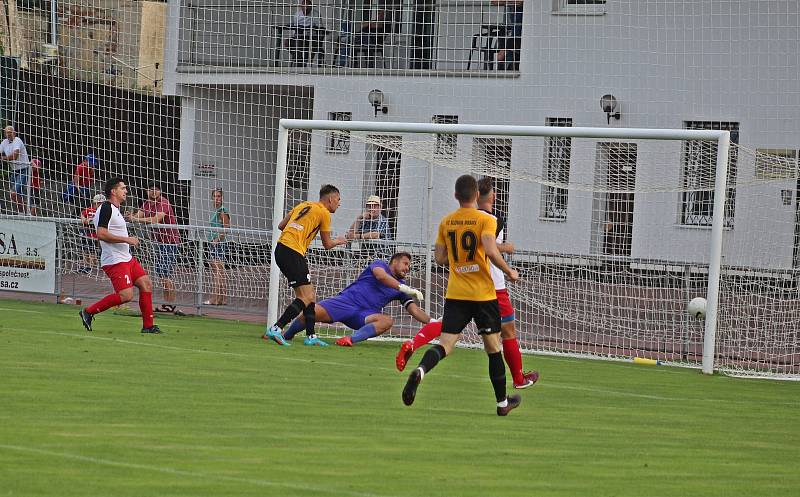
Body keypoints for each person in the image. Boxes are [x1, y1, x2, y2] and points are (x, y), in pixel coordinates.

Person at [396, 177, 539, 389]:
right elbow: (488, 246)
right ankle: (516, 382)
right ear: (484, 195)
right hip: (490, 287)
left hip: (460, 286)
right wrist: (507, 251)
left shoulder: (451, 220)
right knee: (503, 335)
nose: (495, 195)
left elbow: (442, 256)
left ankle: (414, 346)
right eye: (493, 192)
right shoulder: (492, 219)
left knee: (448, 332)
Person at [276, 252, 429, 347]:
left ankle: (350, 339)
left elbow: (414, 310)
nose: (408, 268)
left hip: (363, 316)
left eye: (409, 265)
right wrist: (405, 289)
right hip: (345, 303)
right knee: (309, 313)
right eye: (405, 263)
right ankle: (286, 335)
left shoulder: (401, 286)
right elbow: (381, 276)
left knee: (387, 321)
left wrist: (434, 323)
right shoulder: (380, 265)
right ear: (394, 261)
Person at [263, 184, 348, 347]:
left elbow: (281, 225)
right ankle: (276, 328)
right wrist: (340, 240)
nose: (339, 203)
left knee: (310, 295)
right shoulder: (324, 213)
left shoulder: (303, 205)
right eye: (338, 199)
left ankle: (311, 336)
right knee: (305, 297)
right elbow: (327, 244)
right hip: (293, 251)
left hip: (281, 249)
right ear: (330, 199)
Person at [79, 177, 161, 334]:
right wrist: (127, 239)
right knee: (126, 295)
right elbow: (101, 234)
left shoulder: (115, 209)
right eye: (122, 188)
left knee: (146, 284)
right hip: (115, 260)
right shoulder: (106, 208)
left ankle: (148, 326)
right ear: (113, 191)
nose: (126, 191)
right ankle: (88, 312)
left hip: (126, 258)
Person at [127, 182, 184, 316]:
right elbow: (138, 215)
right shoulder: (146, 204)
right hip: (158, 242)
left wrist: (136, 219)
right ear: (147, 191)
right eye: (151, 190)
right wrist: (130, 217)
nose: (153, 192)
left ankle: (171, 304)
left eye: (156, 190)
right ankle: (167, 304)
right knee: (161, 273)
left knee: (166, 274)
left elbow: (156, 219)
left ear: (160, 192)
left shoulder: (164, 202)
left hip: (169, 242)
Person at [204, 188, 230, 306]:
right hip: (215, 243)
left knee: (217, 272)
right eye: (215, 196)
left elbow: (226, 228)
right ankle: (222, 299)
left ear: (222, 198)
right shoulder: (217, 211)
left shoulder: (222, 211)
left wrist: (217, 240)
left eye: (219, 196)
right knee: (220, 272)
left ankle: (214, 299)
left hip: (218, 244)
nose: (217, 198)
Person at [0, 125, 31, 214]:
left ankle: (24, 213)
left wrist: (3, 158)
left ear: (14, 133)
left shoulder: (17, 140)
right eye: (6, 132)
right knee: (17, 195)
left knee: (14, 193)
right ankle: (22, 213)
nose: (8, 134)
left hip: (24, 169)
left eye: (10, 132)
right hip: (14, 171)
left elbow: (15, 155)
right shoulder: (4, 142)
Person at [286, 0, 322, 66]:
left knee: (302, 42)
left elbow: (320, 28)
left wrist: (311, 27)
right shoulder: (297, 14)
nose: (305, 9)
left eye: (307, 8)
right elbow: (293, 25)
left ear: (311, 7)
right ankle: (299, 60)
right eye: (304, 7)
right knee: (288, 42)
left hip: (311, 37)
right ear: (301, 7)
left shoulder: (316, 14)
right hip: (298, 36)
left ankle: (302, 62)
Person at [77, 193, 106, 274]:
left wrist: (91, 220)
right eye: (99, 203)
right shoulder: (89, 210)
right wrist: (83, 218)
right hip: (86, 233)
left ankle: (90, 267)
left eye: (102, 203)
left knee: (92, 251)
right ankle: (85, 265)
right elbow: (82, 214)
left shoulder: (103, 212)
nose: (101, 205)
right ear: (95, 203)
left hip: (95, 235)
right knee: (84, 250)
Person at [492, 0, 523, 71]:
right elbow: (494, 2)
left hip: (521, 29)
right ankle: (508, 48)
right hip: (509, 28)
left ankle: (507, 48)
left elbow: (522, 3)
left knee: (518, 23)